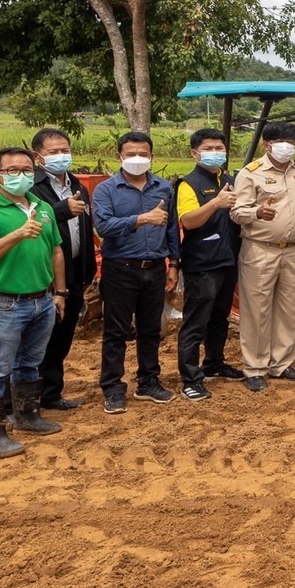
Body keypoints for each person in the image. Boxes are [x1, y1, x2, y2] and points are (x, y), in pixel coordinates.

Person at [0, 147, 65, 457]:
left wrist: (60, 292)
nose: (22, 175)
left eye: (27, 170)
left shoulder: (43, 207)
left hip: (42, 300)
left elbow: (56, 250)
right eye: (13, 171)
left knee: (30, 363)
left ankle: (27, 416)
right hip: (4, 303)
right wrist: (18, 234)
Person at [91, 131, 180, 413]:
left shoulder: (164, 188)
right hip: (120, 269)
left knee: (150, 329)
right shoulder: (106, 190)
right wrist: (141, 219)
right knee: (116, 331)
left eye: (143, 154)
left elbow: (171, 228)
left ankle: (148, 381)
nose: (137, 159)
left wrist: (174, 264)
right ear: (119, 156)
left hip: (154, 268)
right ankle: (113, 388)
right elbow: (103, 226)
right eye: (131, 154)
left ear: (152, 156)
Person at [231, 122, 295, 392]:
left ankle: (282, 363)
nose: (286, 146)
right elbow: (236, 212)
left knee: (289, 309)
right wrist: (256, 212)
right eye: (280, 141)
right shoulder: (250, 173)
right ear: (267, 145)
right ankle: (255, 368)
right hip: (260, 249)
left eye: (291, 142)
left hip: (293, 249)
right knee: (257, 311)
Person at [175, 128, 245, 402]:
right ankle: (190, 379)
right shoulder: (188, 184)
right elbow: (188, 221)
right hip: (202, 263)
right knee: (196, 322)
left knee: (219, 317)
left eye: (220, 148)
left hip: (227, 260)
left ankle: (214, 363)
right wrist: (215, 203)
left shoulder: (228, 180)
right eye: (209, 148)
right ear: (195, 153)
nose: (215, 153)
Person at [29, 127, 95, 410]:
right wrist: (61, 210)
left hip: (74, 273)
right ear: (38, 157)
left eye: (65, 150)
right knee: (36, 342)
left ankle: (51, 394)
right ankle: (23, 400)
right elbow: (30, 224)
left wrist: (88, 272)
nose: (61, 156)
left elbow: (85, 230)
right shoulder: (31, 188)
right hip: (44, 276)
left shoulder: (78, 185)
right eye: (53, 152)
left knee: (61, 338)